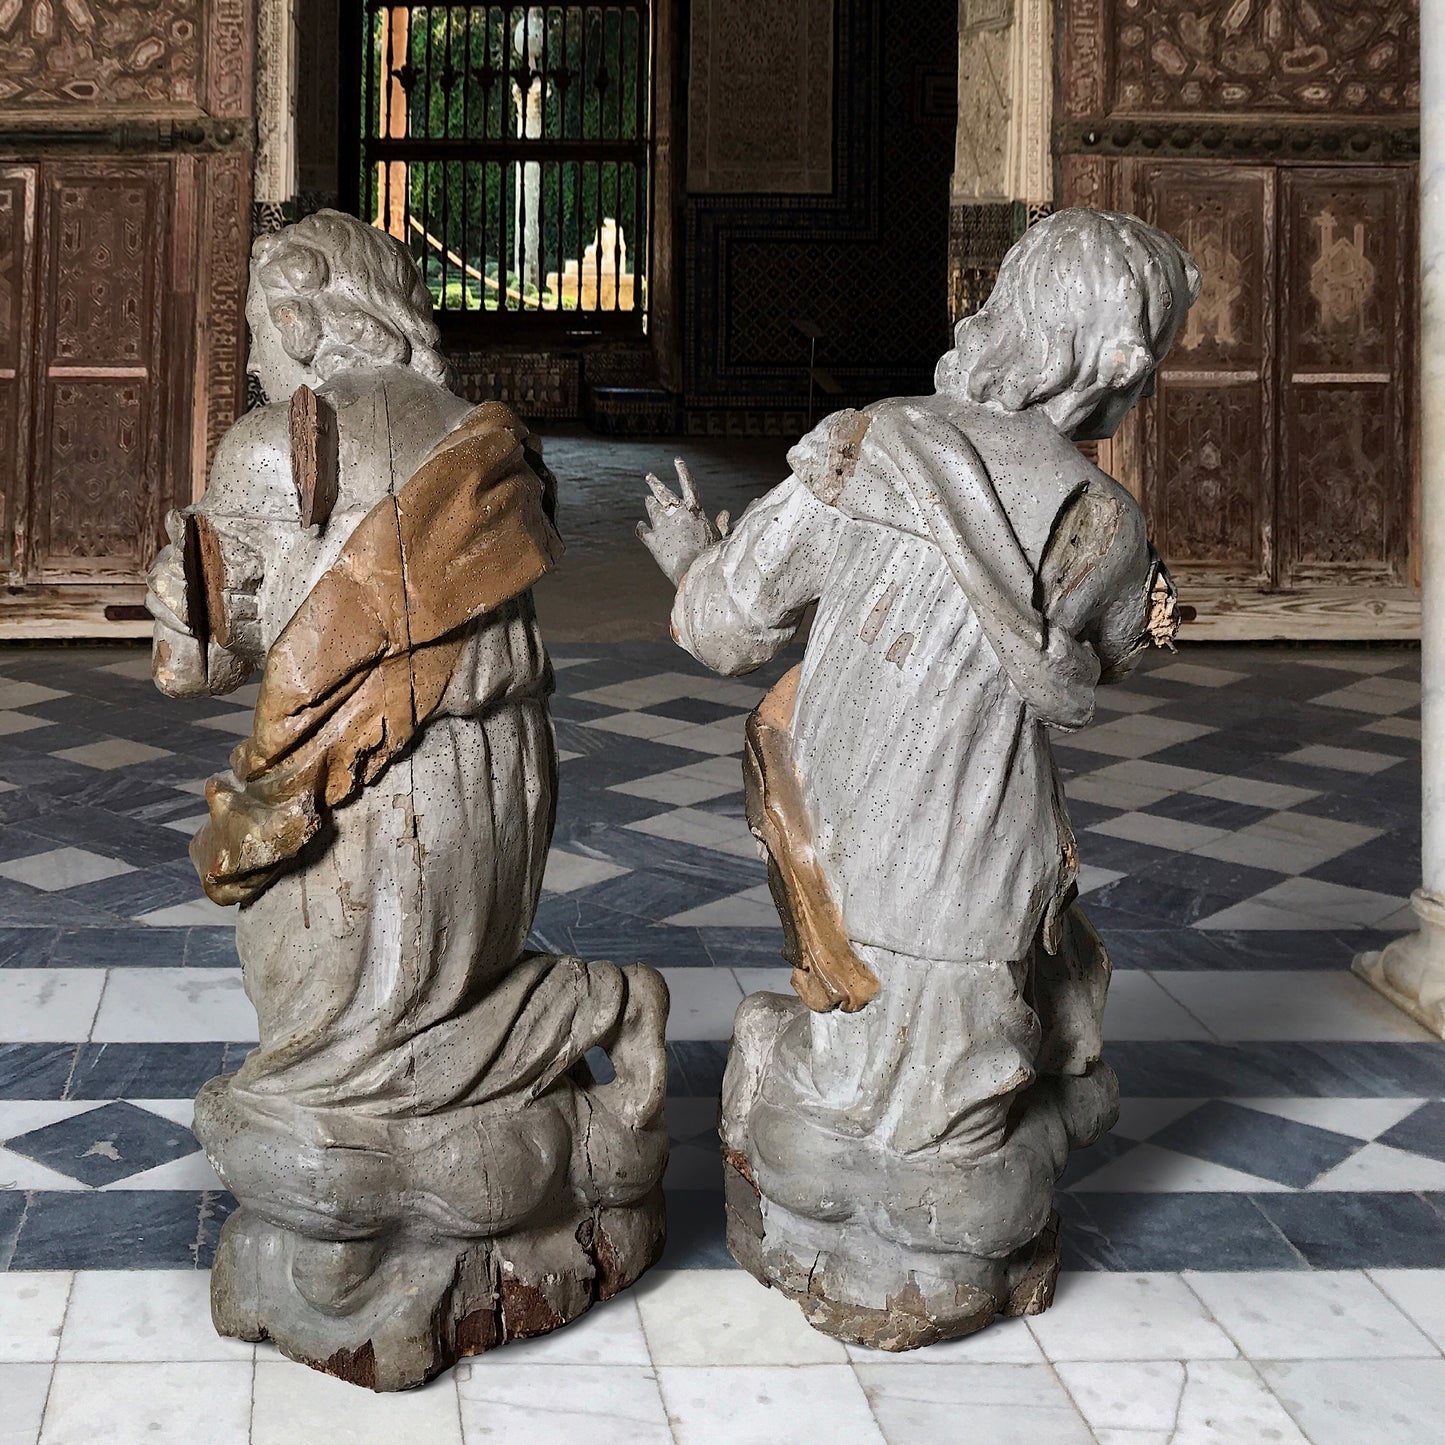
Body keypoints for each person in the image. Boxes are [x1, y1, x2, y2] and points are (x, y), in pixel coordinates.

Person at [639, 208, 1196, 1347]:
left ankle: (827, 1198)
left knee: (819, 1076)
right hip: (982, 883)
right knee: (1002, 1117)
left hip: (841, 866)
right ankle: (958, 1193)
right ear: (1116, 364)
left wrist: (694, 556)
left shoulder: (864, 446)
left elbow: (721, 629)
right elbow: (1123, 646)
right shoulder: (1104, 524)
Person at [147, 211, 666, 1388]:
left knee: (325, 1041)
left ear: (294, 317)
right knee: (431, 982)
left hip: (361, 785)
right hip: (499, 768)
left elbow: (216, 660)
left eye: (252, 334)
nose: (249, 360)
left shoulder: (270, 448)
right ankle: (578, 1013)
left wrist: (179, 612)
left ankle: (402, 1157)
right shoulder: (484, 439)